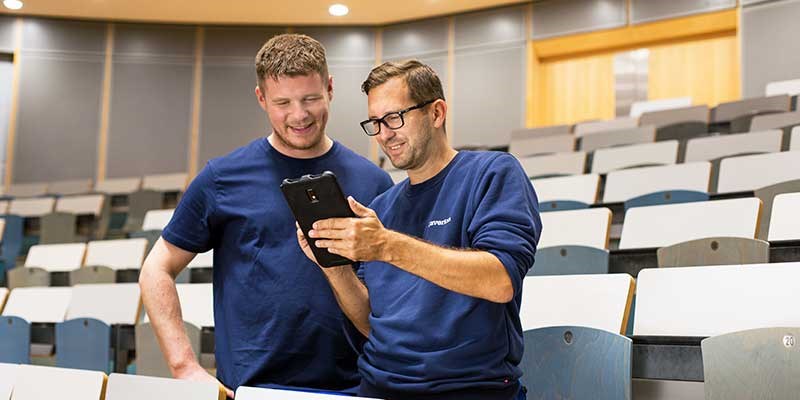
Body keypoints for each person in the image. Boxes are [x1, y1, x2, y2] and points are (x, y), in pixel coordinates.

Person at [138, 34, 393, 397]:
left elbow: (388, 301)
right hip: (250, 389)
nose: (299, 115)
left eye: (310, 99)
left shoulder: (374, 182)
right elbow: (155, 269)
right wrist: (184, 367)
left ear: (330, 88)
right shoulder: (221, 178)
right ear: (261, 98)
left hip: (351, 388)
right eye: (283, 102)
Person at [297, 60, 542, 400]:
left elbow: (500, 281)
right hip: (377, 386)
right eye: (375, 123)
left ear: (436, 113)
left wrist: (387, 246)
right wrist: (334, 267)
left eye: (394, 118)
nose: (384, 134)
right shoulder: (382, 207)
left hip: (466, 388)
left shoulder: (492, 173)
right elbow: (370, 323)